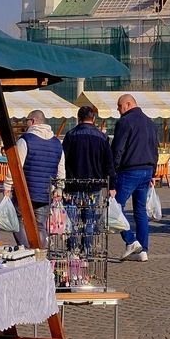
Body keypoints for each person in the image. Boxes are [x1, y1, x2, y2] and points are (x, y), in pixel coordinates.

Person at [110, 94, 160, 261]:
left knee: (115, 207)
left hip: (129, 170)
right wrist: (152, 172)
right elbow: (155, 150)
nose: (118, 109)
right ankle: (143, 250)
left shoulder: (125, 122)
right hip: (146, 170)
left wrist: (112, 172)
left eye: (119, 106)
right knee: (140, 211)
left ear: (128, 104)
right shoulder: (150, 123)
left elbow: (118, 149)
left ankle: (131, 240)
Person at [63, 105, 111, 256]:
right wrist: (111, 184)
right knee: (89, 220)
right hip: (94, 185)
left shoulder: (71, 135)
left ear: (78, 118)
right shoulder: (102, 137)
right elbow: (109, 164)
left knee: (72, 221)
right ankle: (88, 249)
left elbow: (63, 160)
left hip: (72, 184)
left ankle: (72, 249)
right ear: (94, 118)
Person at [13, 109, 65, 226]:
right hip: (46, 192)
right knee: (41, 226)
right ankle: (39, 245)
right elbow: (61, 169)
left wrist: (8, 185)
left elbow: (16, 166)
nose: (26, 124)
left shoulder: (25, 140)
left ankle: (24, 244)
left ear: (33, 121)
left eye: (27, 121)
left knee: (18, 221)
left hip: (25, 191)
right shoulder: (57, 143)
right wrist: (59, 188)